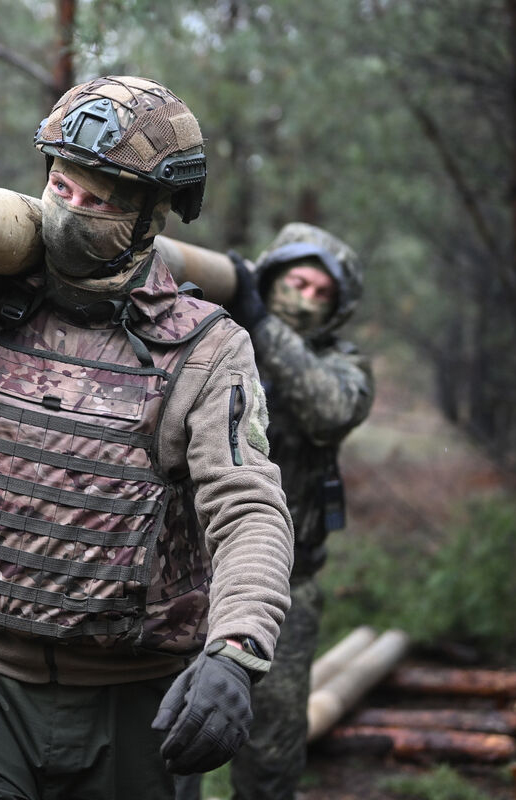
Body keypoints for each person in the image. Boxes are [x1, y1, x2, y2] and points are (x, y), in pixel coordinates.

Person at [0, 75, 294, 800]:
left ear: (149, 216)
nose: (71, 211)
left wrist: (236, 651)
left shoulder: (206, 348)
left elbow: (248, 507)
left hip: (137, 700)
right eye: (61, 187)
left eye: (99, 199)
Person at [181, 223, 375, 800]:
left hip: (286, 589)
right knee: (168, 742)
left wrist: (260, 319)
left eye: (323, 293)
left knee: (270, 754)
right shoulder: (215, 331)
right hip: (188, 579)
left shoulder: (342, 364)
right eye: (298, 282)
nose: (308, 299)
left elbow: (330, 409)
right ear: (273, 275)